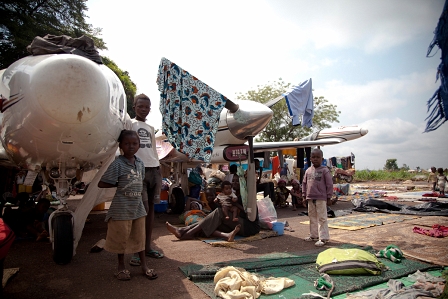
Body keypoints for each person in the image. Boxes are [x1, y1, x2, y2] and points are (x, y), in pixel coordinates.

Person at [98, 130, 157, 281]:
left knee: (139, 237)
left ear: (139, 145)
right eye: (127, 143)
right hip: (121, 208)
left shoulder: (140, 163)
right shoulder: (117, 164)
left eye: (134, 143)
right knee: (121, 239)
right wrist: (120, 182)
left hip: (137, 206)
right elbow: (102, 182)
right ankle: (120, 267)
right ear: (121, 146)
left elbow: (141, 184)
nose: (131, 146)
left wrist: (144, 203)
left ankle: (144, 266)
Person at [165, 173, 260, 241]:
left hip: (248, 227)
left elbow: (249, 214)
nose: (234, 183)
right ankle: (183, 231)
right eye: (233, 181)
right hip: (237, 224)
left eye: (237, 181)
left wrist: (234, 204)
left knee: (219, 212)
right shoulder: (230, 195)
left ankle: (185, 233)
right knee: (211, 223)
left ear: (242, 183)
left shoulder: (246, 197)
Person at [128, 94, 164, 266]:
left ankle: (147, 247)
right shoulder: (129, 124)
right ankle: (137, 251)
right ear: (134, 106)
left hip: (154, 170)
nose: (144, 109)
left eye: (147, 107)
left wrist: (159, 168)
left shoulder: (150, 127)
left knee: (150, 213)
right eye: (140, 106)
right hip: (138, 171)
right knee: (141, 211)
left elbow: (153, 150)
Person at [302, 148, 333, 247]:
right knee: (312, 217)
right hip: (310, 198)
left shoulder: (325, 170)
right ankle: (314, 235)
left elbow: (329, 184)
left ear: (322, 159)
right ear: (310, 158)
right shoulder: (308, 171)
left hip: (321, 198)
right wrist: (304, 196)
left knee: (322, 218)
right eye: (313, 157)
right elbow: (304, 184)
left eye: (318, 157)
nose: (315, 159)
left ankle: (323, 238)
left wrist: (329, 197)